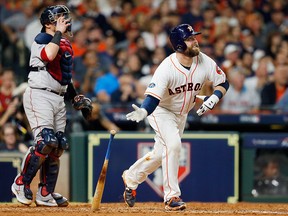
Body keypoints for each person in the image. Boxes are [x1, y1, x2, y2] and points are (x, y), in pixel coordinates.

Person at [122, 23, 229, 211]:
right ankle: (171, 197)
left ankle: (131, 177)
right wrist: (144, 111)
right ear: (180, 44)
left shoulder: (204, 61)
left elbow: (223, 82)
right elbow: (152, 98)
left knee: (159, 154)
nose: (195, 41)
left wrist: (214, 97)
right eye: (190, 39)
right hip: (161, 110)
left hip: (182, 113)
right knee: (173, 145)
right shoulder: (166, 68)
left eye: (194, 37)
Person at [11, 5, 92, 207]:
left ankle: (45, 193)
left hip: (58, 96)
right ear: (48, 23)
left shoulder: (63, 42)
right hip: (39, 94)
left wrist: (75, 98)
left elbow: (65, 77)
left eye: (65, 16)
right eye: (59, 17)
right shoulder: (42, 39)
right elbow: (47, 56)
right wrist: (58, 33)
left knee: (59, 144)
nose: (64, 20)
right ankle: (21, 183)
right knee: (45, 141)